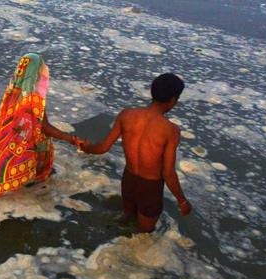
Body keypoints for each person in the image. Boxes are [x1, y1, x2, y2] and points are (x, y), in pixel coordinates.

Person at [0, 53, 85, 202]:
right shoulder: (31, 101)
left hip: (17, 150)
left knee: (30, 181)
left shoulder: (14, 97)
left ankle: (24, 183)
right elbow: (45, 127)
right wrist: (73, 139)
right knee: (36, 184)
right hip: (29, 152)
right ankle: (31, 189)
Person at [81, 73, 192, 232]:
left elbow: (103, 148)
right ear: (173, 100)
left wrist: (86, 147)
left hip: (129, 180)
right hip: (150, 188)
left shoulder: (127, 115)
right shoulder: (170, 130)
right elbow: (168, 172)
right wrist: (182, 201)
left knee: (126, 219)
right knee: (143, 235)